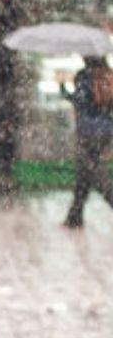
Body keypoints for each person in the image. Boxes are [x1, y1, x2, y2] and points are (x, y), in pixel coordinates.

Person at [60, 56, 113, 228]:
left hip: (87, 132)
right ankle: (75, 216)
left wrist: (62, 88)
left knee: (93, 172)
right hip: (105, 131)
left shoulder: (84, 76)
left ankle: (75, 216)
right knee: (84, 174)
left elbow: (80, 100)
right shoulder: (108, 75)